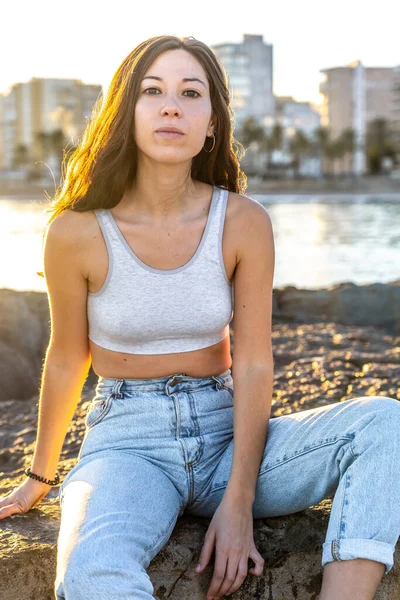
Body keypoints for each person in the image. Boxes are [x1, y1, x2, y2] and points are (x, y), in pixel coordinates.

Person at [0, 34, 398, 600]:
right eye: (152, 91)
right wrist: (40, 477)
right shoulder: (75, 231)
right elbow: (67, 357)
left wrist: (237, 504)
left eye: (191, 93)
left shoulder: (243, 221)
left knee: (383, 422)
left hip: (226, 434)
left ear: (211, 121)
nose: (170, 106)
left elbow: (255, 361)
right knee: (92, 570)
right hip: (126, 444)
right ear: (126, 111)